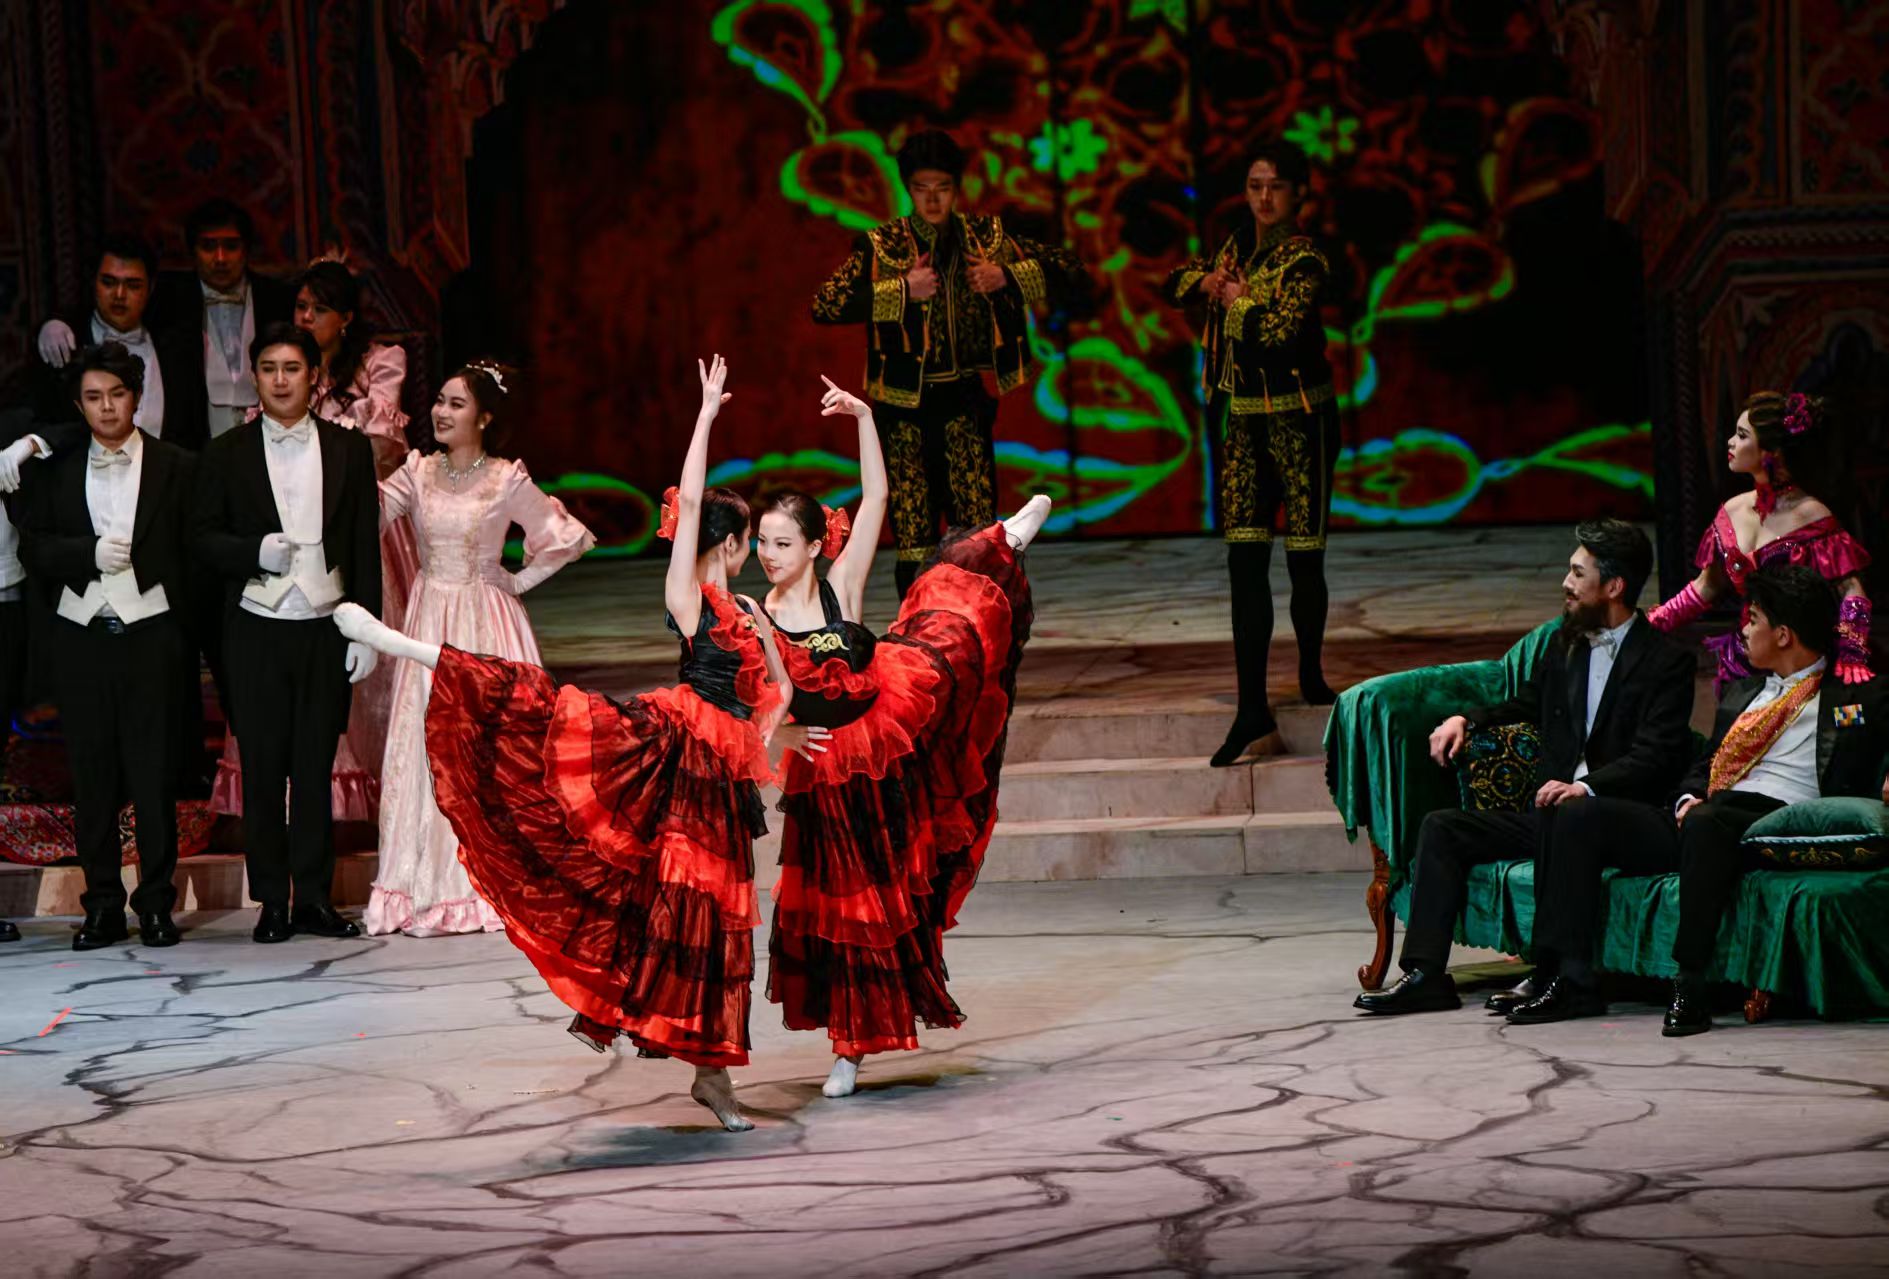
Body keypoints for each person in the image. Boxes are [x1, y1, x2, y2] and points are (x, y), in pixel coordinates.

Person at [334, 355, 786, 1132]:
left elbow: (780, 686)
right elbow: (688, 505)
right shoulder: (689, 597)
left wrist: (769, 734)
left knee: (716, 918)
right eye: (752, 539)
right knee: (535, 718)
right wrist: (706, 417)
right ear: (734, 540)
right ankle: (406, 646)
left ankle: (712, 1070)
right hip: (673, 750)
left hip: (723, 776)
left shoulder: (751, 608)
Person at [753, 378, 1048, 1098]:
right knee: (842, 908)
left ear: (816, 544)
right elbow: (763, 699)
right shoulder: (761, 611)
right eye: (761, 541)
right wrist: (783, 734)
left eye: (782, 542)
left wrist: (863, 417)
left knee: (951, 628)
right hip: (824, 770)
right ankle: (848, 1045)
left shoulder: (841, 583)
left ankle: (1002, 541)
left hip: (887, 728)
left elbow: (878, 496)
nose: (768, 553)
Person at [1352, 520, 1696, 1017]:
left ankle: (1567, 980)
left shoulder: (1666, 661)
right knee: (1443, 828)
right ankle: (1425, 975)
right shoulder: (1567, 644)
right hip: (1555, 815)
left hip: (1627, 817)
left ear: (1614, 586)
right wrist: (1466, 719)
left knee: (1571, 813)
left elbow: (1657, 754)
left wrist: (1586, 788)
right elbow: (1527, 703)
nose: (1566, 583)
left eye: (1578, 573)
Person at [363, 361, 594, 936]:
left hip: (488, 625)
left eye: (456, 404)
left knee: (490, 749)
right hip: (429, 621)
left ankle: (492, 881)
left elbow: (565, 538)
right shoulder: (417, 472)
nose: (441, 412)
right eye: (439, 401)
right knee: (426, 745)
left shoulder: (504, 479)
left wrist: (516, 581)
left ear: (485, 417)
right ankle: (424, 883)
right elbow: (365, 516)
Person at [810, 128, 1087, 597]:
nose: (933, 199)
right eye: (923, 188)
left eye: (942, 187)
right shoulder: (882, 244)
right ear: (909, 189)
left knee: (975, 533)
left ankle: (980, 625)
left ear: (956, 188)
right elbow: (825, 304)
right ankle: (918, 631)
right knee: (914, 535)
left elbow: (1072, 273)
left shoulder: (987, 238)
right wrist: (902, 290)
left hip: (963, 399)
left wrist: (1006, 276)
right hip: (903, 409)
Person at [191, 323, 382, 944]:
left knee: (315, 766)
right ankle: (272, 900)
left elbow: (363, 545)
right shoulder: (226, 452)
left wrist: (366, 630)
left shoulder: (349, 449)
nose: (279, 380)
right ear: (254, 376)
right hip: (255, 627)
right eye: (269, 368)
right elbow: (201, 540)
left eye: (292, 368)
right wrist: (252, 552)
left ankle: (315, 900)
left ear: (314, 377)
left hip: (324, 625)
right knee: (265, 769)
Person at [210, 260, 416, 824]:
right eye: (300, 307)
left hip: (357, 521)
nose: (306, 317)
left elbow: (382, 449)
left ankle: (361, 801)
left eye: (318, 309)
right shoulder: (268, 402)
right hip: (274, 567)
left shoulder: (377, 364)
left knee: (354, 663)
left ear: (345, 318)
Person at [15, 343, 198, 949]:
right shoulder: (58, 468)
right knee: (91, 778)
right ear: (78, 405)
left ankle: (156, 906)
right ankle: (101, 907)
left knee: (153, 777)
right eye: (94, 397)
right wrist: (85, 555)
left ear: (136, 397)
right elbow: (34, 549)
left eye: (117, 394)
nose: (107, 407)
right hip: (81, 637)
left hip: (152, 636)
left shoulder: (177, 465)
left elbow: (193, 555)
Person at [1652, 566, 1888, 1035]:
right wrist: (1686, 798)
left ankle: (1690, 983)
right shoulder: (1742, 691)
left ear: (1783, 635)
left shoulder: (1855, 691)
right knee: (1585, 816)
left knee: (1709, 821)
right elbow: (1707, 764)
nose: (1742, 629)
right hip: (1711, 815)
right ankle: (1563, 976)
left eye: (1753, 618)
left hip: (1780, 814)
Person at [1165, 141, 1341, 766]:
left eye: (1276, 187)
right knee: (1244, 562)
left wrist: (1237, 301)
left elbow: (1279, 335)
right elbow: (1174, 281)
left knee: (1304, 558)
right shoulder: (1234, 248)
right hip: (1242, 423)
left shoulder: (1306, 259)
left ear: (1299, 194)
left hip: (1301, 420)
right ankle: (1250, 706)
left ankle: (1312, 673)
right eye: (1255, 186)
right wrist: (1208, 282)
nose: (1264, 198)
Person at [1648, 391, 1872, 689]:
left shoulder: (1812, 515)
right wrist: (1655, 622)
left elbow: (1852, 591)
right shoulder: (1732, 510)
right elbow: (1707, 585)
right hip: (1747, 659)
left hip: (1802, 662)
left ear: (1771, 452)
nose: (1730, 442)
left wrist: (1852, 649)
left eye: (1742, 436)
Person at [32, 234, 193, 443]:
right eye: (108, 282)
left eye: (133, 285)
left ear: (150, 288)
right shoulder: (65, 344)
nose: (119, 294)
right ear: (94, 282)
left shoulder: (174, 350)